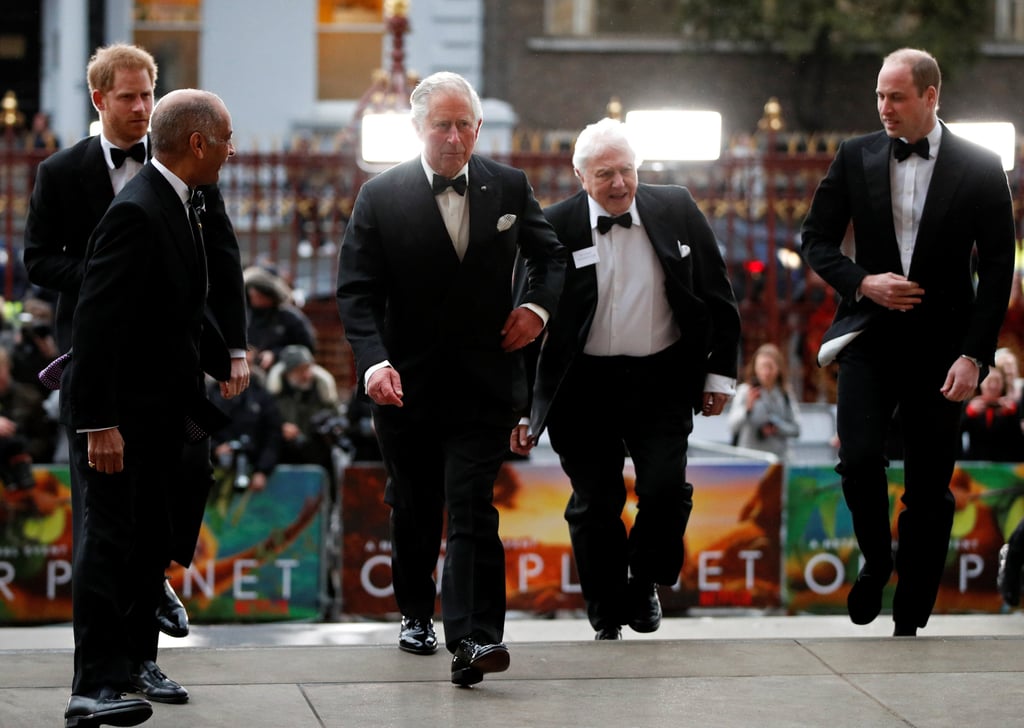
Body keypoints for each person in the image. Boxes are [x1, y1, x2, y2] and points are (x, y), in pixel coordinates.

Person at [337, 71, 565, 685]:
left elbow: (551, 256)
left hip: (484, 383)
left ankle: (474, 639)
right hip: (404, 386)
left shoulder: (508, 186)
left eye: (466, 124)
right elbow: (356, 293)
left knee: (471, 504)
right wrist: (374, 361)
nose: (456, 136)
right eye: (443, 124)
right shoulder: (380, 196)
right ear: (418, 129)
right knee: (415, 504)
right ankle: (415, 611)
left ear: (479, 128)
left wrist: (536, 309)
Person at [22, 43, 249, 654]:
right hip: (99, 361)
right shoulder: (62, 173)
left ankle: (154, 587)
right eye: (128, 96)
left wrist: (234, 347)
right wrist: (111, 277)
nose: (142, 107)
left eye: (148, 94)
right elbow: (39, 261)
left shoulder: (184, 162)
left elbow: (221, 259)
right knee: (108, 518)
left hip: (176, 356)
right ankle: (111, 666)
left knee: (184, 480)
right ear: (99, 100)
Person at [801, 48, 1016, 637]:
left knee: (928, 487)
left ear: (930, 96)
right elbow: (815, 238)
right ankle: (876, 556)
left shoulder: (979, 164)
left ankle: (912, 614)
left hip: (944, 347)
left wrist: (975, 354)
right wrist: (862, 281)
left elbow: (997, 268)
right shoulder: (855, 155)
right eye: (879, 96)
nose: (884, 108)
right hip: (869, 335)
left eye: (896, 97)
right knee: (860, 456)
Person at [510, 117, 741, 640]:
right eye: (605, 173)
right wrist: (522, 407)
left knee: (663, 488)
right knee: (596, 501)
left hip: (660, 375)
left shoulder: (675, 207)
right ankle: (606, 611)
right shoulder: (553, 226)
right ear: (580, 174)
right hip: (581, 385)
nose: (618, 184)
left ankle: (646, 579)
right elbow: (523, 319)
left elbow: (717, 292)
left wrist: (719, 374)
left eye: (627, 171)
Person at [60, 88, 241, 727]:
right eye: (224, 139)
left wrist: (226, 359)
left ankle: (131, 669)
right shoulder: (138, 211)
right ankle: (93, 688)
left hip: (163, 417)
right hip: (123, 422)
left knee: (142, 548)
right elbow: (97, 322)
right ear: (197, 143)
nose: (231, 151)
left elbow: (183, 307)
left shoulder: (180, 201)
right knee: (108, 546)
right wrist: (98, 422)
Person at [728, 342, 801, 458]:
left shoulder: (785, 394)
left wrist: (776, 428)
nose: (766, 372)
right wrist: (747, 409)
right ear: (755, 368)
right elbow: (732, 426)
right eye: (762, 366)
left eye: (770, 367)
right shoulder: (745, 391)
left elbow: (796, 429)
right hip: (748, 458)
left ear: (778, 368)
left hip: (778, 460)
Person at [244, 265, 317, 371]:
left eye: (259, 295)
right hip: (250, 370)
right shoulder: (246, 316)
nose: (254, 299)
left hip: (284, 370)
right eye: (252, 295)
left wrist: (276, 354)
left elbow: (307, 348)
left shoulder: (289, 317)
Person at [959, 368, 1024, 462]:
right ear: (980, 382)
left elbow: (1019, 442)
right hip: (975, 463)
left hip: (1005, 464)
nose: (993, 386)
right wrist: (969, 414)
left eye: (997, 381)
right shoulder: (968, 405)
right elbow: (957, 434)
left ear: (1003, 384)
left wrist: (1012, 416)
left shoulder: (1014, 406)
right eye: (989, 381)